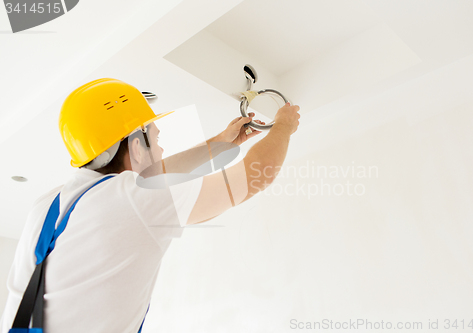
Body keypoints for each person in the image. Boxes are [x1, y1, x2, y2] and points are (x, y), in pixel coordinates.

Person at [0, 78, 300, 333]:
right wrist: (283, 127)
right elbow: (255, 175)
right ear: (135, 146)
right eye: (156, 138)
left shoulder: (49, 203)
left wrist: (220, 143)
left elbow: (150, 182)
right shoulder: (135, 201)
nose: (162, 148)